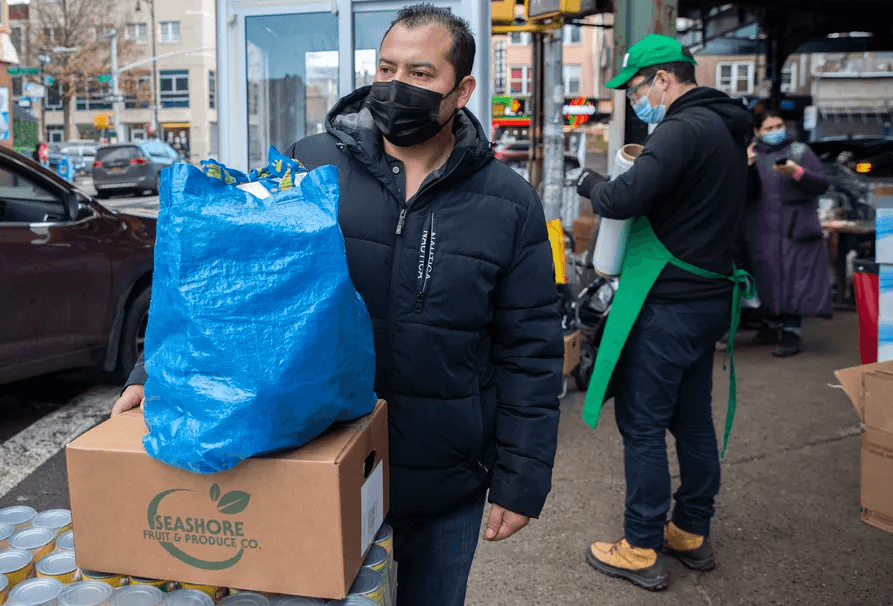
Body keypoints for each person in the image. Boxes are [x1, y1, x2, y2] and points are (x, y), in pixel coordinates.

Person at [111, 4, 563, 605]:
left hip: (445, 481)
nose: (397, 85)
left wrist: (522, 476)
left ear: (463, 90)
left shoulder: (508, 202)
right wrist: (154, 374)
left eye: (422, 74)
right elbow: (232, 278)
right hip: (320, 460)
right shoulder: (314, 163)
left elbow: (531, 348)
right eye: (386, 67)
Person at [575, 34, 752, 590]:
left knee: (644, 422)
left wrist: (588, 181)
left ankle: (640, 544)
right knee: (691, 419)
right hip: (708, 301)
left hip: (669, 304)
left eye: (633, 89)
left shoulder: (681, 129)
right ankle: (690, 530)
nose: (633, 100)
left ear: (663, 80)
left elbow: (620, 201)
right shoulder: (725, 128)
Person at [744, 110, 832, 356]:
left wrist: (797, 171)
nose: (775, 132)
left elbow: (821, 184)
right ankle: (771, 326)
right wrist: (748, 167)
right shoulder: (751, 156)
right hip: (762, 229)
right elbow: (744, 193)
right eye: (769, 128)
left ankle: (791, 332)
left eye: (779, 126)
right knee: (767, 277)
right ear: (757, 132)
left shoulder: (800, 152)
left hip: (796, 229)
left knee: (797, 281)